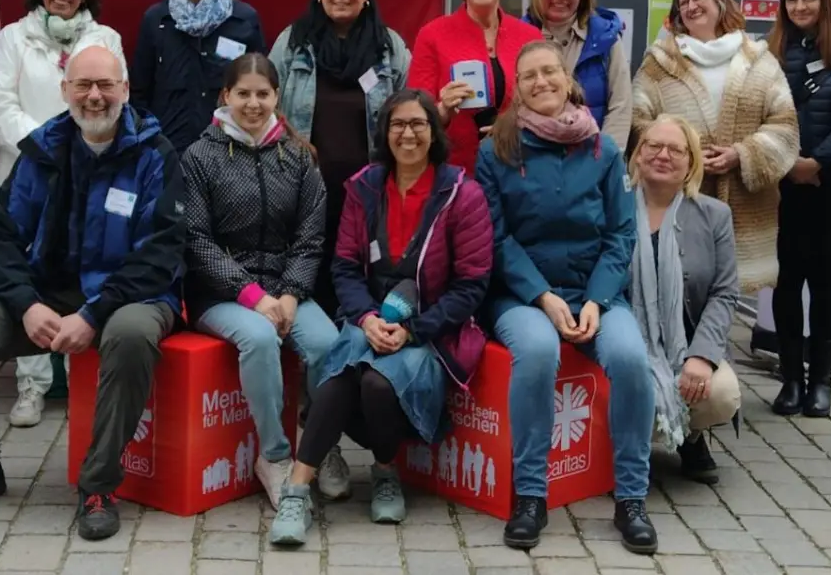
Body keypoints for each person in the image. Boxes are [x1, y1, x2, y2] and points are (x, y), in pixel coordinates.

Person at [0, 43, 184, 542]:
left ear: (125, 89)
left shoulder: (155, 154)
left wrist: (94, 314)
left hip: (129, 297)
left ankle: (98, 486)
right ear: (65, 90)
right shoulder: (42, 150)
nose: (95, 96)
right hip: (45, 295)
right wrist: (26, 304)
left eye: (105, 85)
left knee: (129, 337)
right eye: (83, 85)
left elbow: (160, 253)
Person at [269, 89, 491, 547]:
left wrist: (413, 331)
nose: (408, 134)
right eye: (397, 124)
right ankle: (297, 490)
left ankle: (386, 472)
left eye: (418, 123)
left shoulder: (462, 194)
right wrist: (367, 318)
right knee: (345, 373)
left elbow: (471, 285)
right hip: (369, 320)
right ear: (384, 132)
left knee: (375, 382)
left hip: (431, 331)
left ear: (434, 131)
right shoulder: (364, 187)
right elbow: (345, 267)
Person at [475, 42, 652, 553]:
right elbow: (495, 237)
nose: (541, 82)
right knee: (537, 351)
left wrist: (596, 300)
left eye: (549, 71)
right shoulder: (497, 150)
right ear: (517, 88)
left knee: (630, 357)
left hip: (594, 292)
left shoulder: (603, 149)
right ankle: (531, 495)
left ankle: (632, 497)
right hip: (522, 294)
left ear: (568, 79)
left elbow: (621, 234)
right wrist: (542, 296)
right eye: (529, 75)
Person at [182, 53, 344, 505]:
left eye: (263, 94)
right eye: (243, 94)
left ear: (277, 96)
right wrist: (252, 296)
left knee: (329, 345)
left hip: (285, 286)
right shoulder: (199, 156)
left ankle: (319, 445)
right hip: (220, 293)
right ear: (225, 96)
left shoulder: (299, 156)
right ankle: (274, 456)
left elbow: (311, 238)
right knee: (259, 338)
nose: (253, 104)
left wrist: (290, 295)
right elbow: (196, 239)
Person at [0, 0, 122, 429]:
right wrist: (48, 148)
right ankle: (32, 386)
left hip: (90, 173)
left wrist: (78, 148)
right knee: (33, 273)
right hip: (29, 170)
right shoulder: (12, 38)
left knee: (82, 272)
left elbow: (113, 99)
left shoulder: (105, 39)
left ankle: (84, 381)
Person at [633, 0, 798, 294]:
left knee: (734, 297)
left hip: (746, 204)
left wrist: (742, 154)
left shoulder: (759, 59)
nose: (691, 6)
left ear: (720, 2)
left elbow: (784, 124)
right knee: (678, 290)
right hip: (679, 198)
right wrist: (683, 158)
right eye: (684, 2)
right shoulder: (658, 63)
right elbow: (639, 121)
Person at [269, 0, 410, 313]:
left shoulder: (389, 46)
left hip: (371, 188)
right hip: (304, 183)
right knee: (309, 269)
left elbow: (409, 108)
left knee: (363, 271)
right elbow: (268, 103)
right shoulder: (293, 42)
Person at [628, 116, 743, 482]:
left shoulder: (714, 215)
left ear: (691, 162)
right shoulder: (611, 206)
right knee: (627, 386)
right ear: (638, 154)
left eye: (676, 150)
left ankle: (689, 434)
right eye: (653, 146)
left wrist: (702, 356)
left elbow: (725, 292)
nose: (663, 155)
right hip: (626, 342)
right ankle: (625, 449)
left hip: (686, 344)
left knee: (721, 393)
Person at [764, 0, 831, 419]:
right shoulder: (771, 51)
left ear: (826, 1)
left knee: (823, 283)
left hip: (827, 183)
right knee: (785, 283)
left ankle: (821, 380)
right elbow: (761, 114)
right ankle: (790, 379)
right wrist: (788, 164)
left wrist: (818, 162)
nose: (800, 6)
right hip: (782, 185)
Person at [408, 0, 542, 171]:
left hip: (519, 165)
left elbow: (544, 104)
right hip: (455, 170)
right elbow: (415, 116)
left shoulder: (530, 37)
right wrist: (443, 110)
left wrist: (516, 126)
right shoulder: (432, 35)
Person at [132, 0, 265, 155]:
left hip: (229, 151)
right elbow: (139, 93)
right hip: (169, 153)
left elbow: (260, 88)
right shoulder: (156, 20)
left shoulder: (244, 20)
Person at [523, 0, 630, 147]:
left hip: (594, 154)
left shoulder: (606, 38)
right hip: (534, 155)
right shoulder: (520, 37)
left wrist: (605, 156)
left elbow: (621, 105)